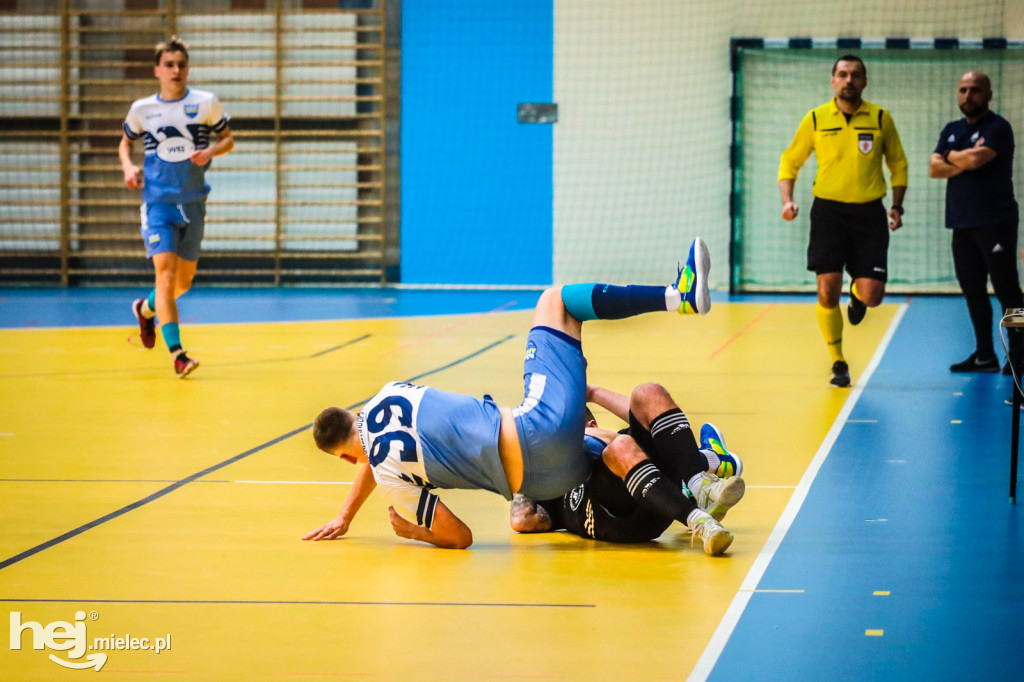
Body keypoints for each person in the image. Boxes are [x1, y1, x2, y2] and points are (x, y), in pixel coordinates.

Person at [304, 239, 713, 549]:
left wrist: (412, 531)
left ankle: (704, 473)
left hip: (548, 484)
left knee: (606, 446)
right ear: (357, 412)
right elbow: (372, 444)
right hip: (539, 430)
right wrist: (347, 511)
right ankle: (678, 296)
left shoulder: (390, 477)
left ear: (344, 456)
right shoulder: (387, 394)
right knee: (555, 301)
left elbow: (460, 536)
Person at [779, 55, 908, 388]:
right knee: (826, 291)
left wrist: (897, 206)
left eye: (855, 75)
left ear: (864, 81)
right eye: (842, 74)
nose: (849, 80)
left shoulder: (880, 118)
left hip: (870, 214)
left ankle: (857, 294)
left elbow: (898, 164)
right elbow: (790, 161)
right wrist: (787, 200)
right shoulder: (817, 118)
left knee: (873, 295)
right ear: (833, 80)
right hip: (828, 214)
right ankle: (838, 361)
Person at [509, 382, 745, 556]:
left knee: (648, 393)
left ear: (591, 426)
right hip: (615, 521)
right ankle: (709, 472)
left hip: (659, 501)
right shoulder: (548, 483)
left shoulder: (610, 442)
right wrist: (529, 457)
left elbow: (636, 420)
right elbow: (521, 520)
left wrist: (593, 393)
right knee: (621, 446)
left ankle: (699, 484)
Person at [119, 36, 234, 378]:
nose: (176, 70)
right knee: (165, 276)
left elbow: (228, 139)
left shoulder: (205, 103)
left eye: (181, 64)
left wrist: (211, 151)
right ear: (157, 70)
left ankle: (145, 308)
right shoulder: (143, 110)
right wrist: (128, 168)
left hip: (194, 202)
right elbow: (124, 144)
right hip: (157, 203)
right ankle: (178, 355)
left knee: (181, 283)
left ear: (188, 68)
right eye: (169, 64)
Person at [929, 71, 1022, 375]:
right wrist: (961, 158)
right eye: (963, 90)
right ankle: (985, 355)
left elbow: (973, 161)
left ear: (989, 95)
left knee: (1007, 289)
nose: (968, 96)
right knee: (972, 289)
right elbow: (934, 168)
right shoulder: (952, 129)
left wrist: (952, 157)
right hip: (962, 223)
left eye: (975, 90)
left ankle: (1020, 353)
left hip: (996, 222)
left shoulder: (998, 127)